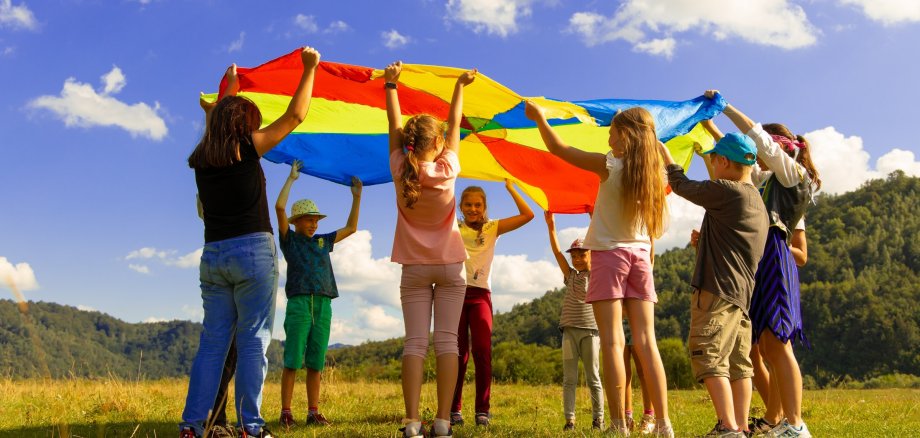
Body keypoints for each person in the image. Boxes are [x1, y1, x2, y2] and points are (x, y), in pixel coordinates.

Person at [180, 46, 321, 438]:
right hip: (252, 254)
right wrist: (309, 69)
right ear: (244, 125)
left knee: (213, 345)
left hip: (214, 255)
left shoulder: (203, 157)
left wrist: (230, 87)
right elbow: (295, 115)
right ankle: (251, 428)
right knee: (253, 341)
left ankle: (192, 427)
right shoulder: (248, 148)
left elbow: (216, 123)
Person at [525, 102, 674, 437]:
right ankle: (664, 424)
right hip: (640, 257)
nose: (608, 135)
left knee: (611, 342)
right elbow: (663, 155)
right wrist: (656, 143)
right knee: (648, 342)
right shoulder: (657, 173)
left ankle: (620, 425)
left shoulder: (610, 165)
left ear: (626, 135)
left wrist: (540, 119)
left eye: (612, 130)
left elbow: (558, 148)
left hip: (608, 256)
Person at [709, 90, 821, 438]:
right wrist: (711, 128)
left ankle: (795, 423)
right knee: (761, 345)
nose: (757, 155)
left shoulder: (791, 174)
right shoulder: (769, 179)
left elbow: (755, 139)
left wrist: (725, 107)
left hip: (774, 256)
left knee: (778, 343)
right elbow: (742, 161)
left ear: (778, 148)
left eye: (764, 148)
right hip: (758, 258)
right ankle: (781, 420)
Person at [385, 60, 477, 438]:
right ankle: (441, 421)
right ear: (438, 144)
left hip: (414, 268)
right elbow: (456, 124)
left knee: (415, 344)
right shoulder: (448, 168)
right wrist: (460, 86)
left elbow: (392, 129)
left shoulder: (399, 168)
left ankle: (411, 422)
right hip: (451, 266)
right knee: (448, 343)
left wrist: (391, 86)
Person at [662, 128, 769, 437]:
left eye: (714, 160)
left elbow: (681, 184)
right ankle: (739, 426)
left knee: (709, 354)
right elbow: (736, 245)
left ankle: (726, 426)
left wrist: (664, 156)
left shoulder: (728, 190)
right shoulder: (755, 202)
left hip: (716, 290)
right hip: (740, 296)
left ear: (723, 161)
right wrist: (705, 241)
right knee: (738, 364)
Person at [275, 160, 362, 428]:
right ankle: (286, 412)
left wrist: (356, 198)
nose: (313, 224)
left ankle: (313, 411)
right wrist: (291, 180)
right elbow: (279, 207)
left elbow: (351, 228)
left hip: (324, 304)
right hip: (299, 303)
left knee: (316, 362)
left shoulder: (323, 241)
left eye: (315, 220)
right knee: (292, 360)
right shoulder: (289, 240)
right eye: (308, 220)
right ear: (297, 222)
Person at [450, 182, 534, 427]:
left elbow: (528, 215)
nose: (473, 208)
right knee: (457, 355)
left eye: (478, 204)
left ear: (485, 206)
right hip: (455, 294)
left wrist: (511, 188)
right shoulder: (453, 226)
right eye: (468, 204)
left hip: (480, 296)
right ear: (461, 206)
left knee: (482, 351)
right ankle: (454, 409)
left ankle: (482, 411)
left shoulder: (492, 227)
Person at [545, 212, 604, 432]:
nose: (577, 259)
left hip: (590, 332)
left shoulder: (597, 273)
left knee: (593, 377)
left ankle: (598, 419)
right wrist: (551, 227)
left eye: (582, 254)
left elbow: (601, 243)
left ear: (591, 255)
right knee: (569, 378)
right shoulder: (570, 275)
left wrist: (594, 218)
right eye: (575, 256)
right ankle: (569, 420)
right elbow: (557, 252)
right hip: (569, 333)